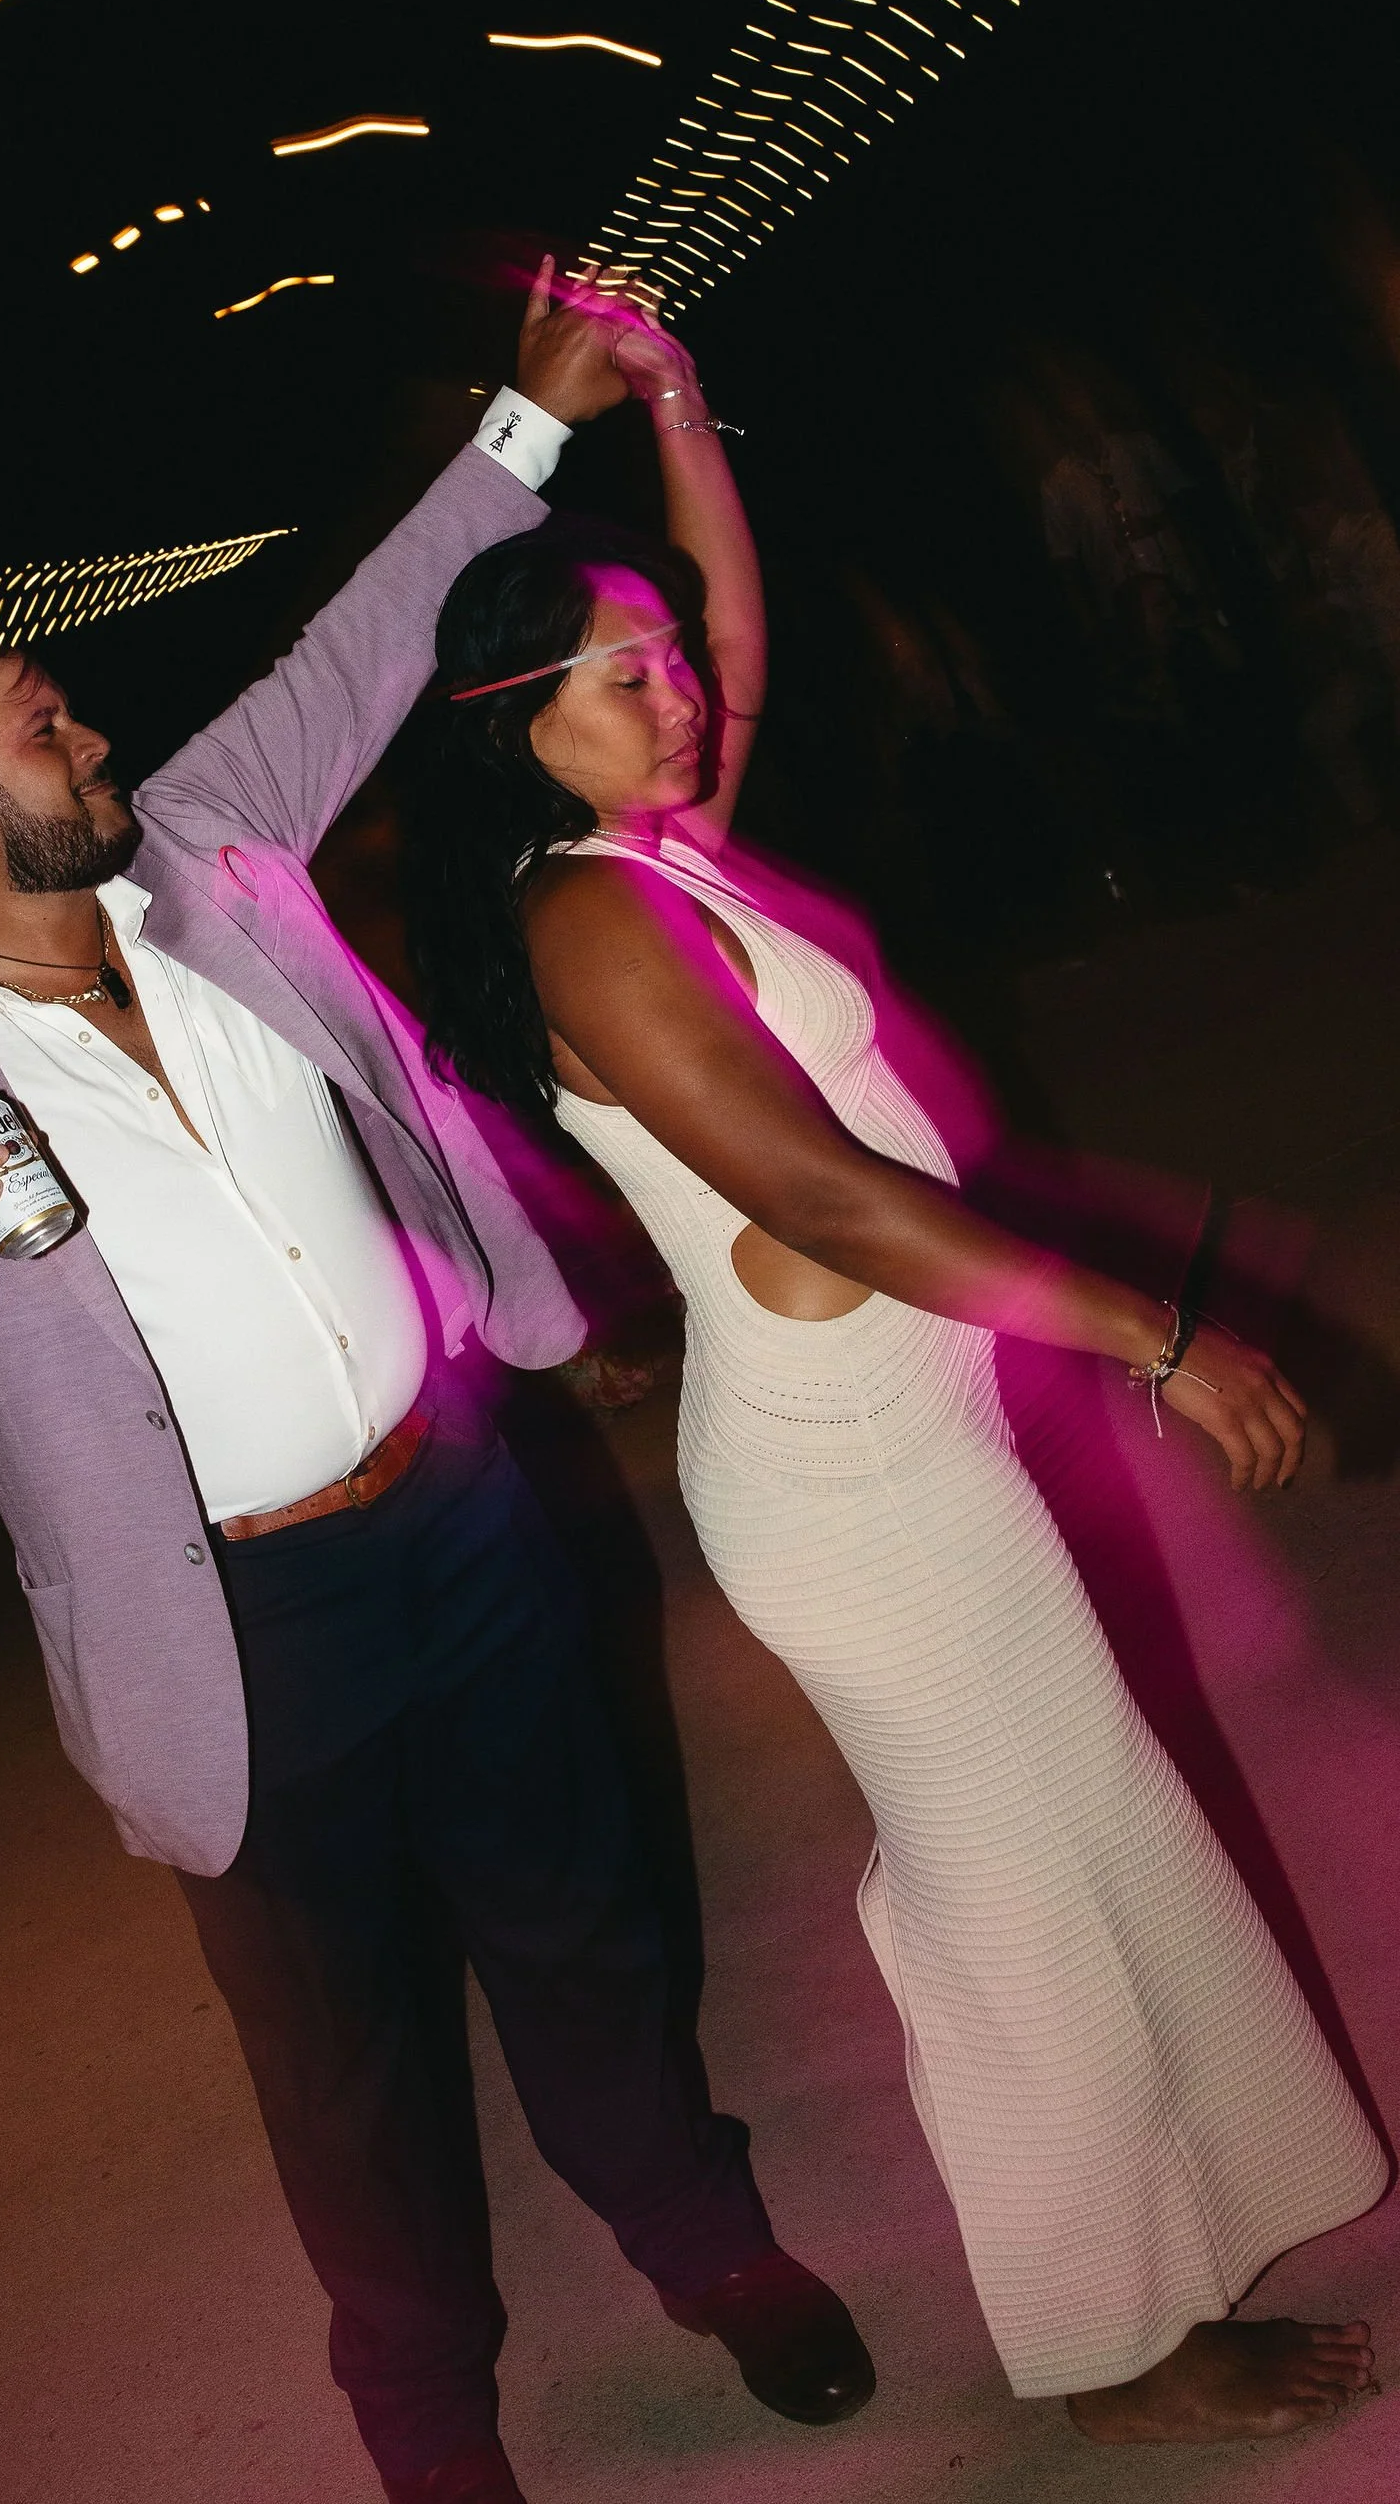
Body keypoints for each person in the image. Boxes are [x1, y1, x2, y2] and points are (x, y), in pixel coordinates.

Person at [0, 270, 876, 2504]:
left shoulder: (209, 853)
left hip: (451, 1511)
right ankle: (431, 2428)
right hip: (237, 1632)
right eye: (44, 731)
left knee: (582, 1919)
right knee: (348, 2073)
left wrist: (528, 424)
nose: (90, 743)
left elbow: (364, 639)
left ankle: (706, 2243)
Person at [399, 302, 1386, 2450]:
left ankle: (1179, 2246)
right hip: (847, 1491)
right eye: (621, 676)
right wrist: (1165, 1332)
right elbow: (832, 1202)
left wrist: (668, 407)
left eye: (666, 664)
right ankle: (1104, 2352)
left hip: (926, 1454)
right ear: (511, 725)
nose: (675, 696)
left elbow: (735, 623)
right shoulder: (583, 924)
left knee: (1093, 1837)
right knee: (1012, 1908)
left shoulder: (659, 849)